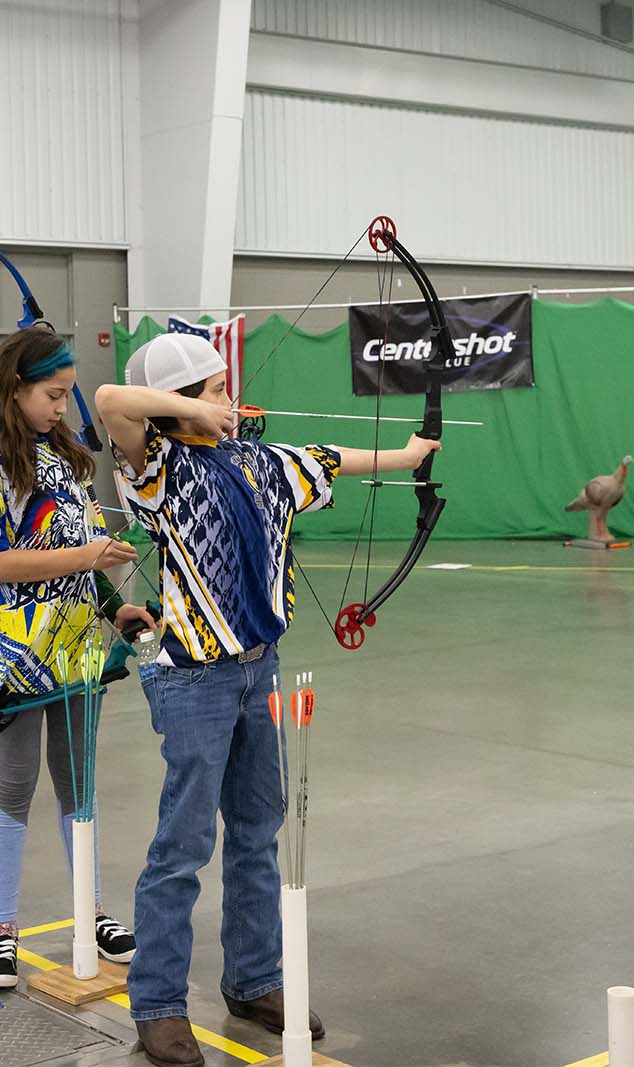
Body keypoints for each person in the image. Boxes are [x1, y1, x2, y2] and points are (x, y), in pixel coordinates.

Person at [96, 332, 440, 1065]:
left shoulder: (261, 461)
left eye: (226, 387)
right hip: (196, 675)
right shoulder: (157, 468)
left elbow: (332, 458)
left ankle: (254, 978)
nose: (230, 398)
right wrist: (186, 411)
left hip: (261, 669)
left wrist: (411, 457)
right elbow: (111, 402)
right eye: (214, 388)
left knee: (258, 830)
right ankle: (157, 1003)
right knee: (183, 843)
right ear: (180, 404)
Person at [0, 326, 151, 989]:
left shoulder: (61, 456)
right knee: (14, 781)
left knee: (77, 780)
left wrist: (113, 604)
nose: (62, 407)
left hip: (78, 644)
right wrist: (88, 556)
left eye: (65, 396)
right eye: (52, 395)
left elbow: (78, 546)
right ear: (15, 388)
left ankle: (90, 912)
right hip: (16, 649)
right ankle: (0, 929)